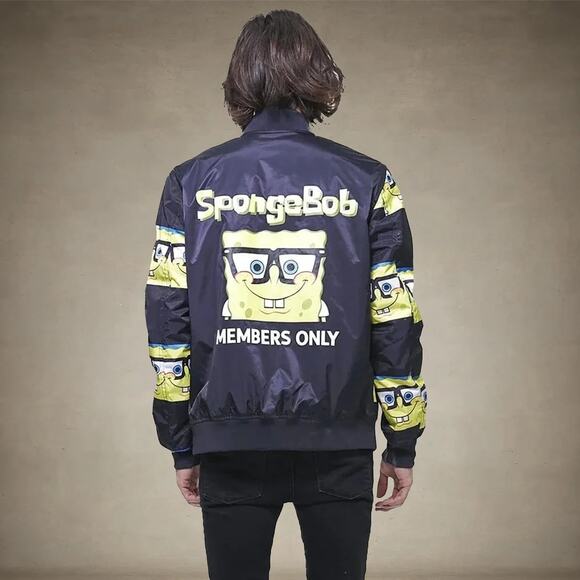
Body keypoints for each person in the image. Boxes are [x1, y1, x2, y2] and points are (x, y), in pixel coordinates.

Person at [144, 9, 428, 580]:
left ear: (238, 80)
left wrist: (182, 441)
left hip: (229, 441)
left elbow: (167, 318)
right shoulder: (369, 180)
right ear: (318, 74)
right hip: (339, 439)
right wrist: (401, 441)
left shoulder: (190, 181)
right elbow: (394, 316)